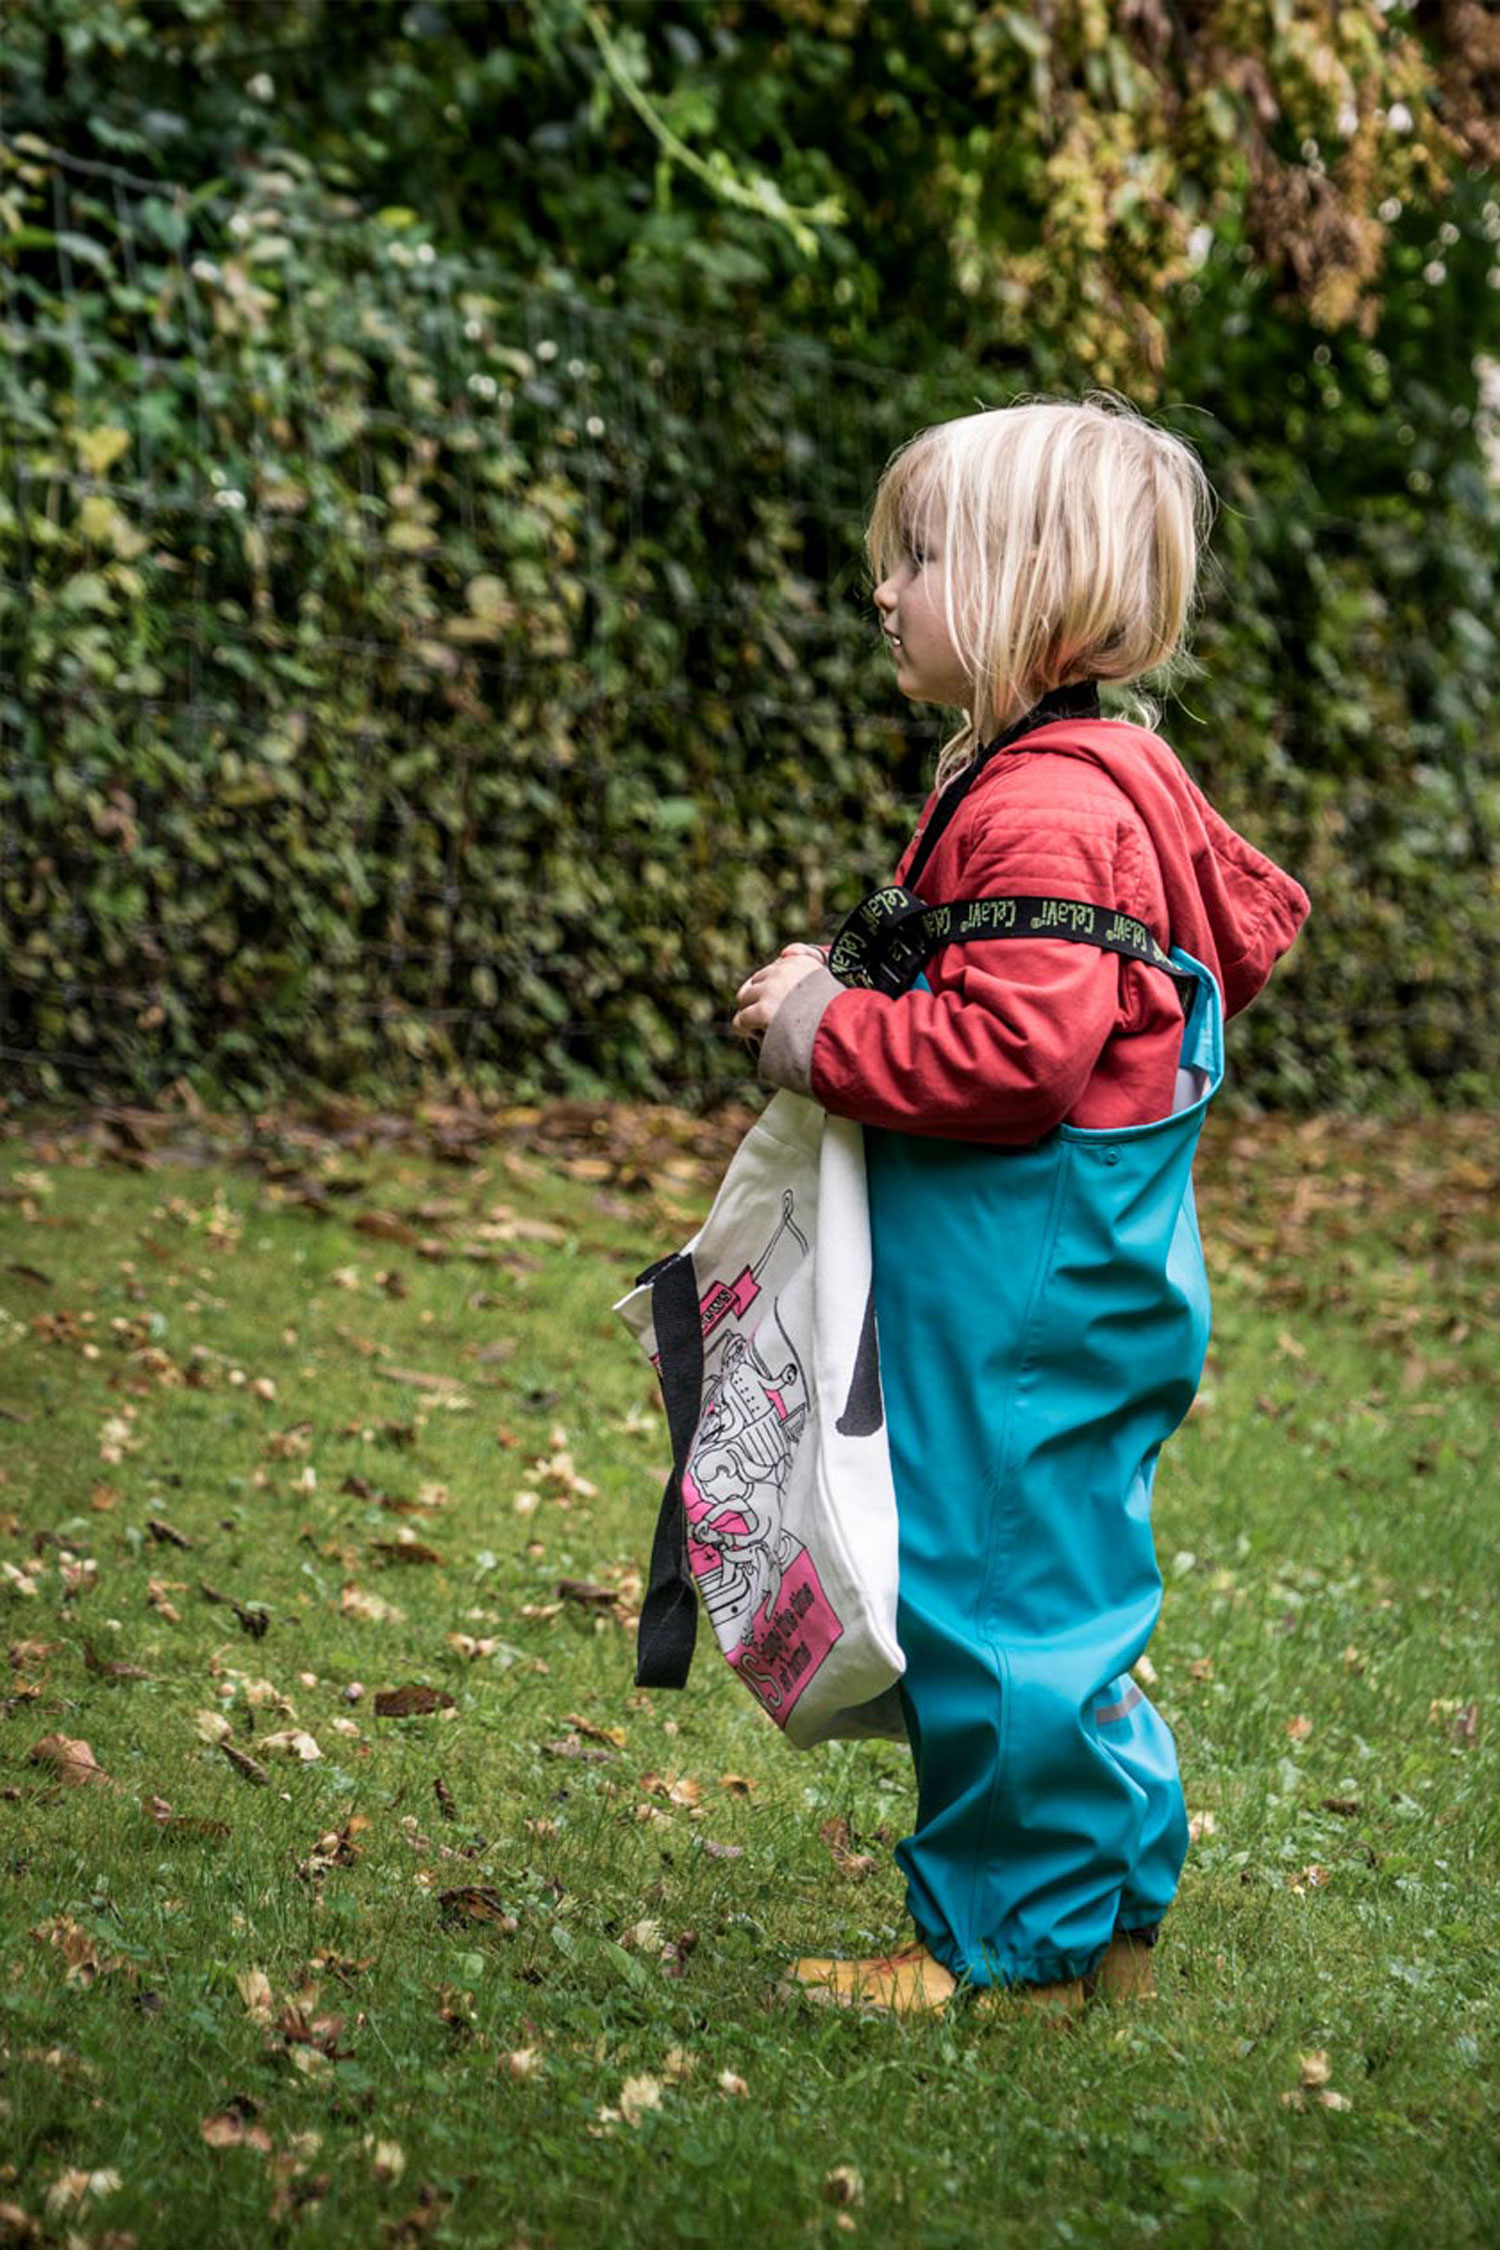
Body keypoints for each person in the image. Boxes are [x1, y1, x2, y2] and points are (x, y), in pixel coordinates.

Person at [731, 397, 1309, 2016]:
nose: (887, 589)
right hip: (1074, 1275)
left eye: (919, 557)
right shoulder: (1082, 771)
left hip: (1019, 1286)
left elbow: (1012, 1054)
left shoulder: (1046, 803)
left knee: (988, 1607)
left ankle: (1012, 1942)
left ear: (1023, 582)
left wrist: (813, 1028)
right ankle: (1108, 1906)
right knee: (1061, 1594)